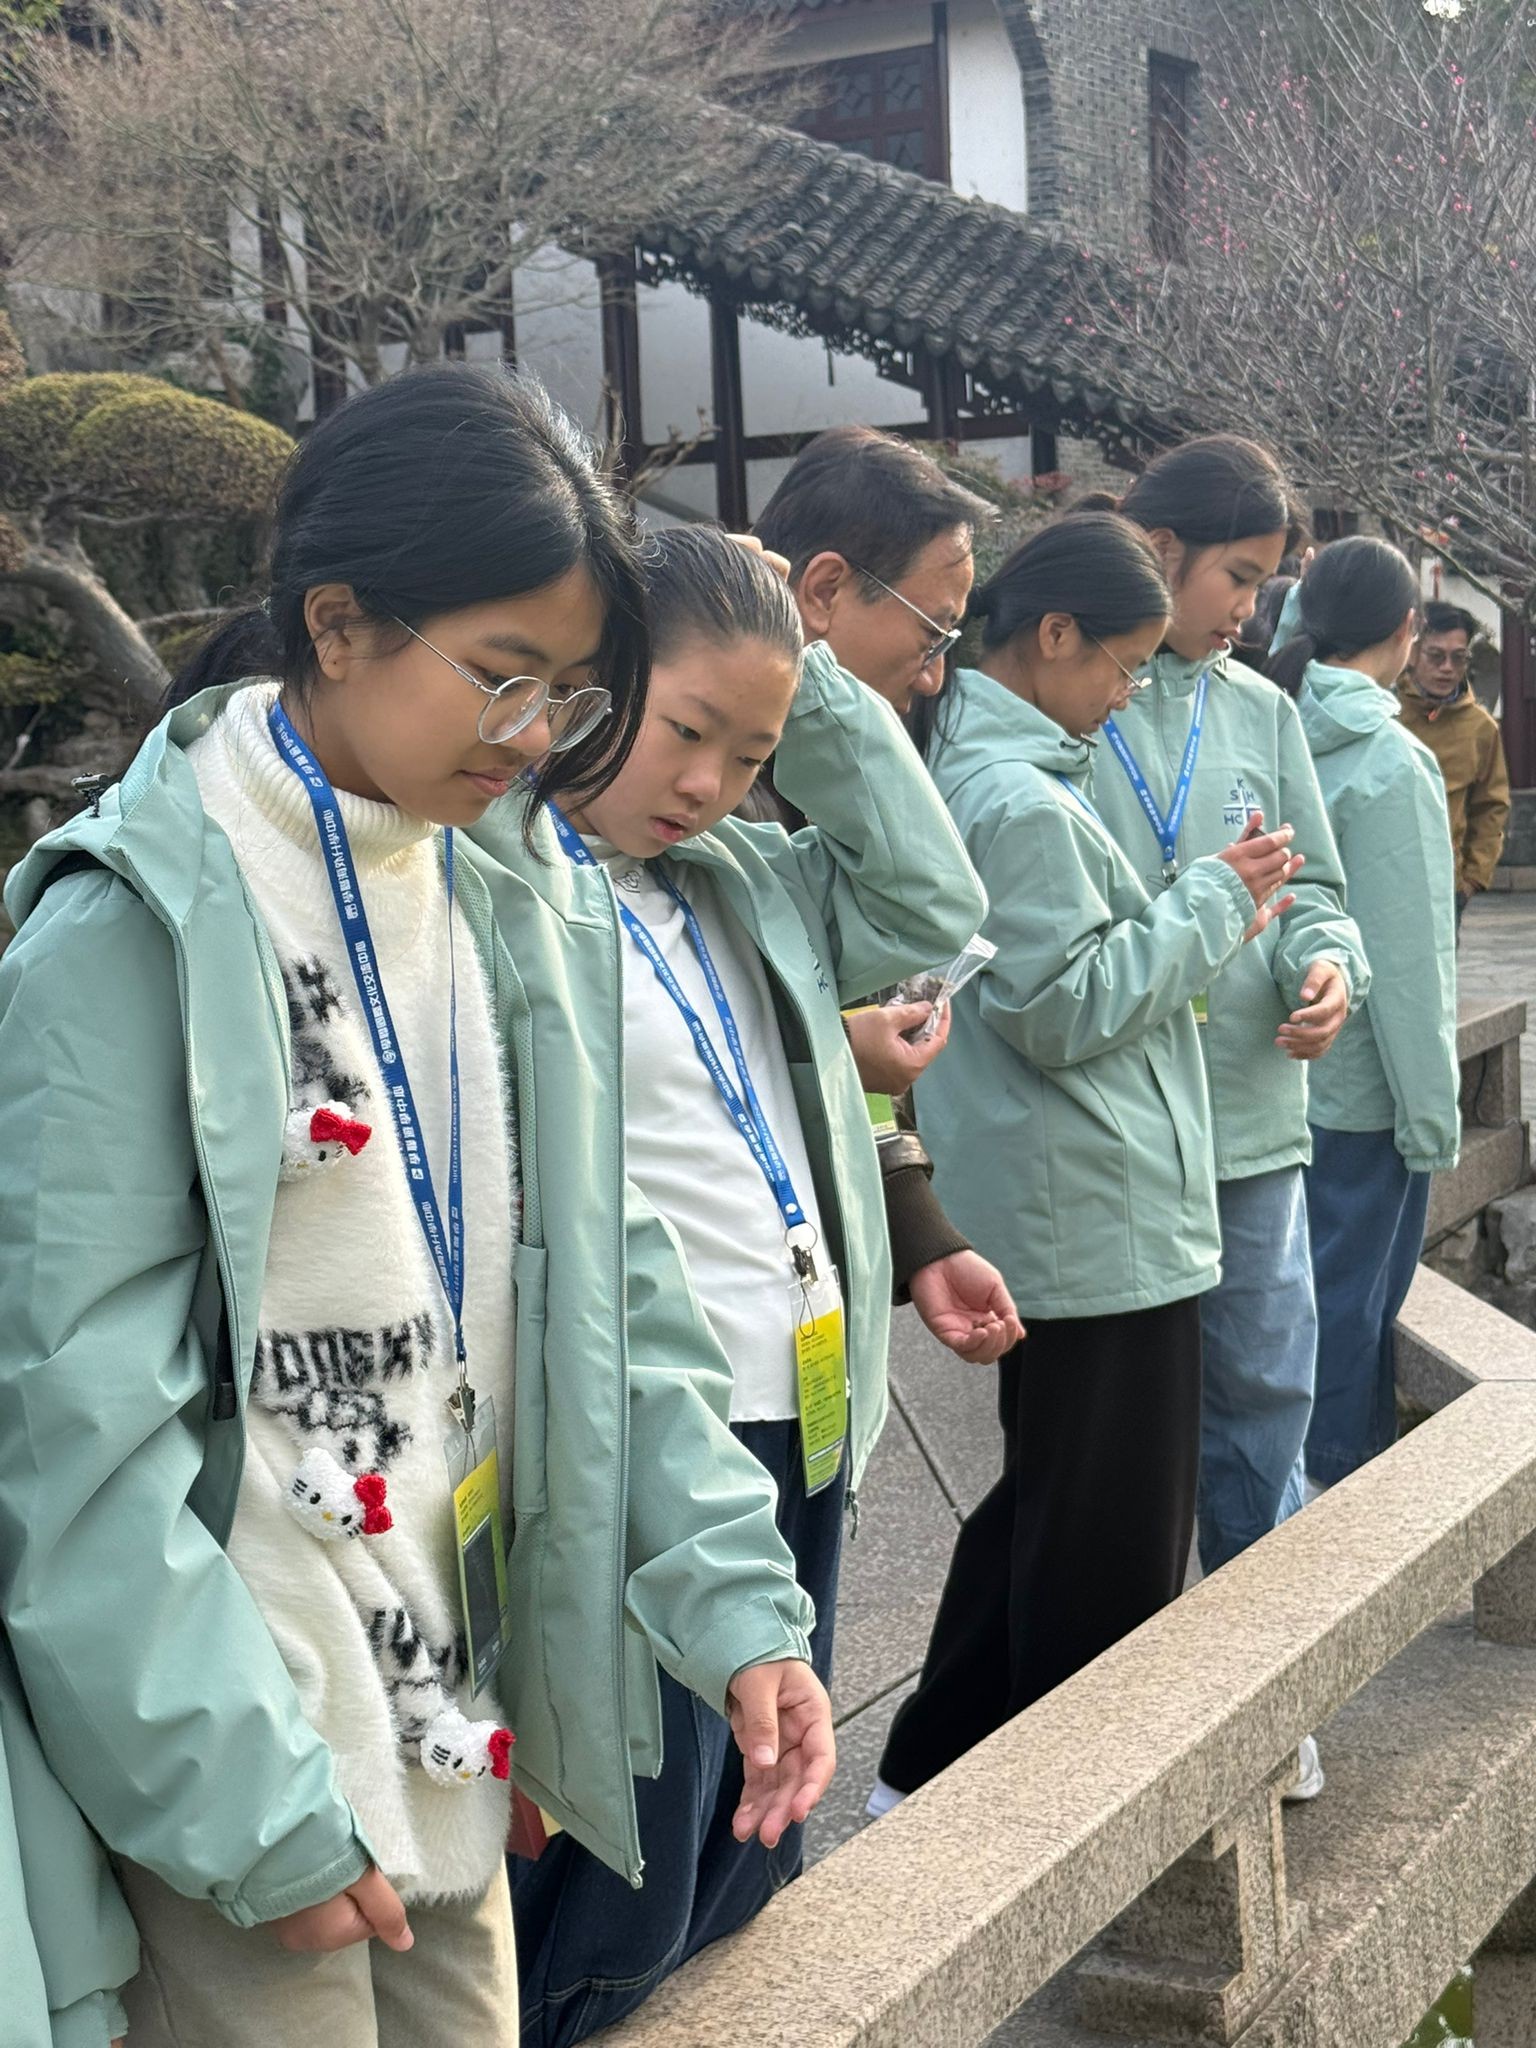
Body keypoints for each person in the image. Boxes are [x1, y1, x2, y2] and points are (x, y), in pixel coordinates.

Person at [0, 365, 836, 2048]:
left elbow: (613, 1301)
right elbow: (71, 1433)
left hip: (452, 1725)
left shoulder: (505, 894)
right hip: (251, 1764)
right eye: (503, 676)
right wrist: (246, 1811)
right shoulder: (128, 929)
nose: (535, 737)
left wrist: (736, 1607)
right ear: (336, 623)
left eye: (573, 697)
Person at [509, 526, 988, 2045]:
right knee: (626, 1857)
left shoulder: (740, 879)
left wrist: (813, 680)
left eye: (753, 752)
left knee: (754, 1815)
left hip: (808, 1395)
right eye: (686, 728)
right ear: (596, 684)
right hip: (648, 1422)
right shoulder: (499, 888)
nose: (709, 781)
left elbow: (929, 898)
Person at [872, 514, 1301, 1808]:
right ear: (1054, 637)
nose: (1129, 694)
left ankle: (929, 1771)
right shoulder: (1019, 798)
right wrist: (1215, 901)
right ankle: (1068, 1817)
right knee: (1107, 1548)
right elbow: (1065, 1006)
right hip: (1095, 1206)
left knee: (1052, 1509)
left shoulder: (994, 768)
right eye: (1123, 664)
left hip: (1072, 1197)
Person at [1086, 437, 1370, 1590]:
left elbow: (1315, 889)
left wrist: (1329, 966)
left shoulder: (1260, 709)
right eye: (1239, 576)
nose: (1254, 607)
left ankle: (1267, 1649)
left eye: (1264, 580)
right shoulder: (1063, 697)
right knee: (1114, 1423)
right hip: (1110, 1118)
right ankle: (1128, 1659)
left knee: (1263, 1385)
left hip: (1250, 1112)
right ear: (1161, 550)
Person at [751, 425, 1021, 1361]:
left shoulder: (830, 770)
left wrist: (920, 1231)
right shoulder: (696, 793)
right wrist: (830, 1051)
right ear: (823, 591)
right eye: (932, 631)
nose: (936, 671)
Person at [1271, 539, 1461, 1488]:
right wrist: (1432, 1116)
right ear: (1406, 629)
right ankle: (1339, 1507)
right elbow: (1411, 961)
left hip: (1271, 1078)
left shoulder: (1267, 725)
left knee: (1284, 1312)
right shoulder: (1390, 762)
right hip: (1361, 1094)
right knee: (1349, 1313)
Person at [1396, 601, 1510, 932]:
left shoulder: (1480, 727)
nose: (1447, 668)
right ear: (1413, 653)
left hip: (1445, 886)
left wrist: (1473, 878)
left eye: (1458, 658)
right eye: (1436, 656)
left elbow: (1491, 806)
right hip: (1381, 876)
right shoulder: (1384, 709)